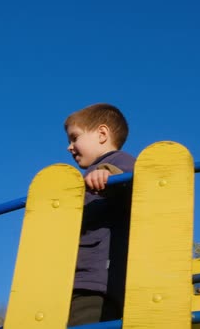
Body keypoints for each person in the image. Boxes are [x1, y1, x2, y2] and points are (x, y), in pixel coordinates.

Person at [64, 103, 136, 326]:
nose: (70, 147)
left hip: (98, 283)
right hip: (80, 279)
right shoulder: (86, 177)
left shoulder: (118, 161)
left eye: (74, 138)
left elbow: (135, 181)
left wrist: (110, 174)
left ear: (102, 134)